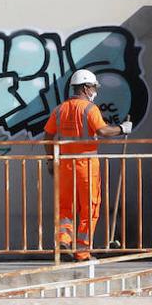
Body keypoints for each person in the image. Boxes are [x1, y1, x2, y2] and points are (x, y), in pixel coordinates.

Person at [43, 69, 132, 261]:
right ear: (85, 87)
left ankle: (63, 240)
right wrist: (122, 128)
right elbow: (103, 131)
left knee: (65, 206)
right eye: (92, 87)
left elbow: (47, 135)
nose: (94, 91)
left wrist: (51, 160)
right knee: (89, 208)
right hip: (86, 165)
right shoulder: (90, 109)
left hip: (64, 164)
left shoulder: (59, 109)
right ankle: (82, 253)